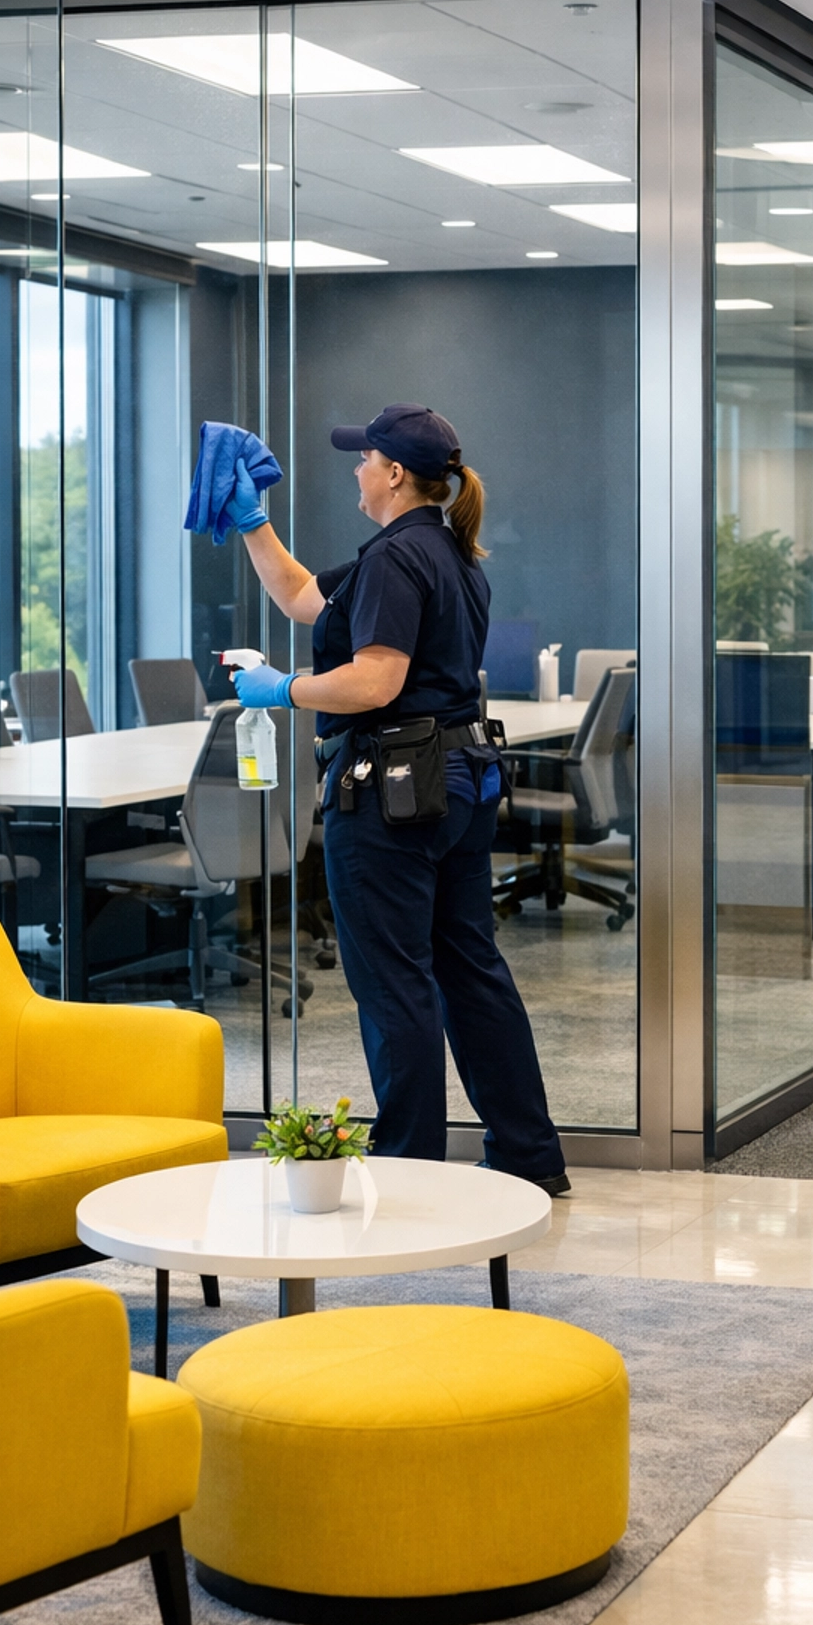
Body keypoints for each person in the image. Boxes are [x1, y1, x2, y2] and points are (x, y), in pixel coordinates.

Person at [224, 404, 569, 1195]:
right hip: (458, 787)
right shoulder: (445, 552)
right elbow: (307, 600)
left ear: (395, 476)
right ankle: (527, 1154)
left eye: (364, 457)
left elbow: (373, 681)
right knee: (469, 969)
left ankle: (409, 1166)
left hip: (392, 796)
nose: (355, 468)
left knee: (394, 982)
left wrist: (283, 690)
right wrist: (253, 524)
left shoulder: (396, 560)